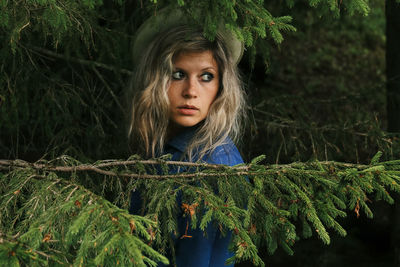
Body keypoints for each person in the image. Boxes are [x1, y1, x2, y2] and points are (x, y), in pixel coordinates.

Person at [128, 8, 246, 267]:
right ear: (155, 79)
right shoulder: (163, 149)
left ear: (221, 87)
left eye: (206, 77)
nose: (191, 91)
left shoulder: (213, 167)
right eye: (178, 74)